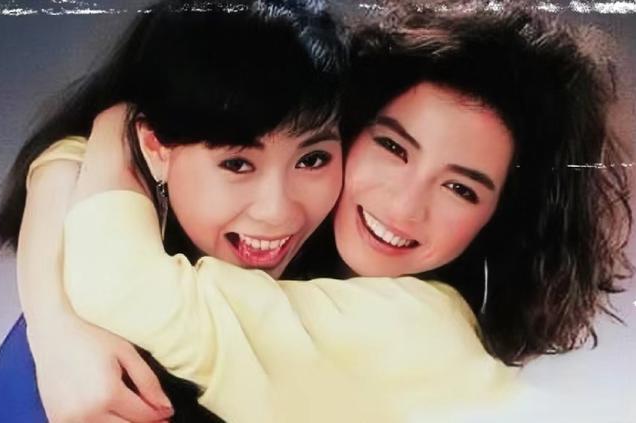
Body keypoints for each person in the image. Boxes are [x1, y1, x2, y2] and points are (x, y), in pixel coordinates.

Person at [49, 3, 631, 421]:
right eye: (394, 148)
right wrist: (57, 329)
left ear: (498, 219)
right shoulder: (317, 281)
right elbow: (66, 165)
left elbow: (120, 283)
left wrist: (117, 121)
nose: (403, 206)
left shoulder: (414, 328)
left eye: (460, 189)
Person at [0, 1, 347, 422]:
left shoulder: (358, 265)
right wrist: (55, 326)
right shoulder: (93, 355)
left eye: (312, 160)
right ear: (155, 147)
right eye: (237, 164)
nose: (277, 212)